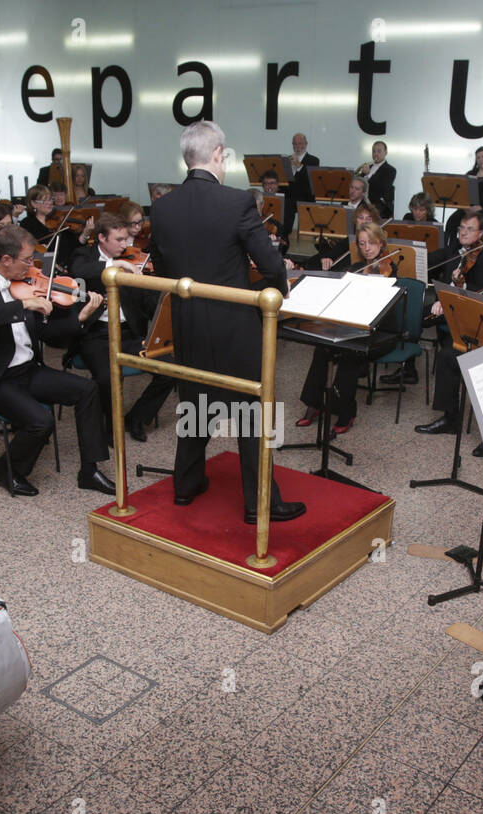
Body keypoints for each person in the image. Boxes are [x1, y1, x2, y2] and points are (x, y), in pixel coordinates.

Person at [149, 120, 303, 523]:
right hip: (234, 323)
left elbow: (163, 270)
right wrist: (278, 288)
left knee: (194, 402)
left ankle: (185, 485)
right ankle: (259, 503)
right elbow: (270, 263)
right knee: (252, 408)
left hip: (187, 322)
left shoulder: (162, 206)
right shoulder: (237, 203)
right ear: (218, 154)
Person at [0, 225, 114, 497]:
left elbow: (48, 334)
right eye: (28, 260)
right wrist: (23, 306)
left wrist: (81, 318)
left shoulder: (28, 284)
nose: (32, 266)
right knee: (42, 421)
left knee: (87, 390)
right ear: (6, 259)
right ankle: (6, 469)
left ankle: (89, 470)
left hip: (27, 371)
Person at [68, 211, 176, 442]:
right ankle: (109, 428)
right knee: (106, 378)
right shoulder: (83, 255)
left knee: (170, 369)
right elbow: (78, 271)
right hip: (96, 335)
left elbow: (148, 304)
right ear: (101, 238)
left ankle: (135, 418)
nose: (125, 244)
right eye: (119, 240)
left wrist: (164, 300)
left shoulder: (132, 261)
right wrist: (112, 265)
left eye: (126, 239)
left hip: (128, 335)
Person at [296, 220, 394, 435]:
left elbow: (383, 308)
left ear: (381, 244)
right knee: (322, 347)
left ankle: (345, 411)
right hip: (350, 323)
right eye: (362, 243)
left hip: (376, 329)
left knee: (349, 353)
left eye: (372, 243)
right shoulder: (355, 267)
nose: (367, 248)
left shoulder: (389, 269)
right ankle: (314, 404)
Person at [414, 211, 483, 433]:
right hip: (447, 306)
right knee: (414, 316)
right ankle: (409, 367)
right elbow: (437, 258)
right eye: (461, 227)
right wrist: (415, 256)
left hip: (467, 315)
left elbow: (479, 299)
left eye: (470, 229)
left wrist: (453, 291)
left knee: (448, 353)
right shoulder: (455, 249)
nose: (463, 232)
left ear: (481, 233)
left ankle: (450, 417)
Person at [282, 132, 319, 241]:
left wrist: (299, 166)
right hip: (289, 195)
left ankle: (285, 234)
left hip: (304, 196)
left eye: (300, 144)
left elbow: (310, 180)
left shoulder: (313, 160)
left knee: (288, 204)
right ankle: (279, 234)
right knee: (278, 200)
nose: (297, 147)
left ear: (306, 144)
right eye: (295, 144)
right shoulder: (287, 159)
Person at [356, 140, 396, 219]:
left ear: (385, 152)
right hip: (363, 202)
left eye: (379, 151)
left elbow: (383, 188)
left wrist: (368, 174)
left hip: (378, 204)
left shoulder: (390, 170)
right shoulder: (367, 166)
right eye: (373, 151)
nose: (375, 154)